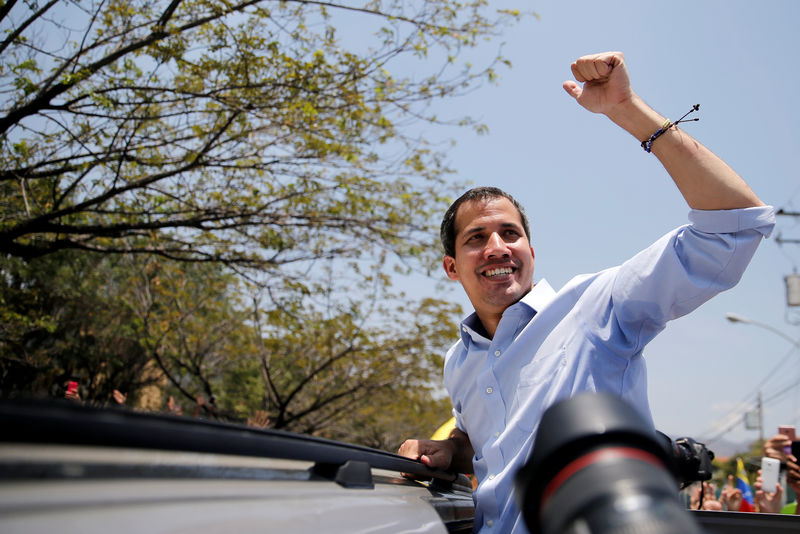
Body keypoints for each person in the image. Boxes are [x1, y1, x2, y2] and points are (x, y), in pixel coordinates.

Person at [398, 51, 775, 533]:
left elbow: (734, 225)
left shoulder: (598, 305)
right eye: (476, 238)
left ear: (531, 251)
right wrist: (453, 449)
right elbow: (486, 440)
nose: (497, 248)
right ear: (452, 267)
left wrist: (626, 109)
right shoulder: (459, 360)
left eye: (510, 234)